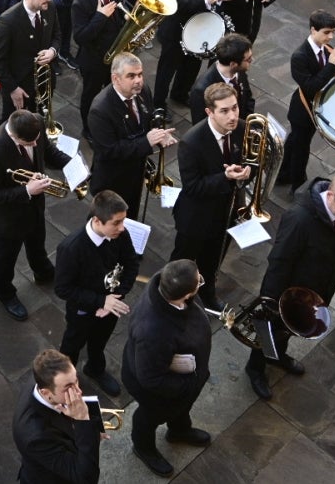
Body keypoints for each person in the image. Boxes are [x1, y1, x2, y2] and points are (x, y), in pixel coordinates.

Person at [246, 172, 335, 401]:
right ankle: (255, 368)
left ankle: (278, 356)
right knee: (270, 331)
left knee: (289, 329)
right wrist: (270, 301)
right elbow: (279, 261)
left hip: (313, 291)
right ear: (331, 195)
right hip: (287, 292)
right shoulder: (299, 219)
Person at [121, 258, 212, 478]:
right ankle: (143, 447)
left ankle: (179, 430)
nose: (200, 282)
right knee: (149, 416)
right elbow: (150, 378)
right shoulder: (153, 332)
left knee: (181, 407)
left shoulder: (166, 283)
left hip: (185, 377)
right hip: (157, 390)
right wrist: (187, 385)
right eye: (198, 281)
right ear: (187, 294)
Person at [0, 108, 73, 321]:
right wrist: (27, 191)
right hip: (9, 218)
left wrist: (72, 165)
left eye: (36, 139)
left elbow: (48, 151)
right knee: (6, 258)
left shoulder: (36, 122)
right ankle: (5, 294)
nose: (35, 144)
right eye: (29, 143)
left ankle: (43, 272)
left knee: (37, 243)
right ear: (14, 136)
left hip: (35, 207)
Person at [170, 83, 253, 313]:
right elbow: (193, 186)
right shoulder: (191, 142)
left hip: (226, 212)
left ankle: (207, 294)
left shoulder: (242, 128)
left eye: (235, 107)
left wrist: (248, 172)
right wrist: (225, 177)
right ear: (209, 112)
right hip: (196, 217)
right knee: (182, 262)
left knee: (213, 258)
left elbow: (252, 162)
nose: (232, 116)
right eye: (224, 111)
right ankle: (172, 297)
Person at [53, 189, 139, 398]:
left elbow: (131, 264)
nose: (122, 227)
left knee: (99, 341)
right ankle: (65, 381)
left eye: (123, 221)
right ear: (97, 221)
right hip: (82, 310)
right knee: (72, 344)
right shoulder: (71, 248)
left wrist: (116, 297)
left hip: (110, 306)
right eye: (116, 222)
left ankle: (95, 369)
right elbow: (63, 288)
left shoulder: (120, 234)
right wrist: (100, 301)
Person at [86, 52, 177, 219]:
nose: (138, 80)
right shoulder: (100, 110)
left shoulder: (142, 90)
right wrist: (147, 142)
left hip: (136, 172)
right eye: (131, 76)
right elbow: (110, 151)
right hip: (113, 180)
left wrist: (159, 133)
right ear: (116, 79)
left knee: (131, 213)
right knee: (108, 220)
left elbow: (148, 118)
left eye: (140, 74)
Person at [153, 0, 235, 111]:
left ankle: (180, 93)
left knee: (192, 65)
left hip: (197, 26)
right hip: (176, 28)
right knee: (167, 69)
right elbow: (178, 3)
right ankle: (158, 105)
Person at [276, 10, 335, 192]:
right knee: (301, 149)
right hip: (303, 111)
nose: (331, 37)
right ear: (313, 30)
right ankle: (298, 185)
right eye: (327, 32)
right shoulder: (299, 56)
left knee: (295, 140)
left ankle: (282, 172)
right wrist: (332, 64)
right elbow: (311, 87)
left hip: (319, 107)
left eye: (333, 32)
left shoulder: (326, 49)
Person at [12, 349, 103, 484]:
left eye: (76, 380)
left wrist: (90, 431)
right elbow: (86, 478)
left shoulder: (42, 378)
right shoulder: (36, 438)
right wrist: (83, 423)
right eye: (68, 387)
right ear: (46, 392)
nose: (78, 391)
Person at [0, 0, 60, 121]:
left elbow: (57, 35)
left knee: (41, 119)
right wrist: (13, 89)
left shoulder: (50, 7)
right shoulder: (7, 21)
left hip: (45, 82)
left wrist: (52, 51)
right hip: (19, 87)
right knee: (11, 124)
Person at [70, 0, 126, 129]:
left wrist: (126, 16)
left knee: (113, 91)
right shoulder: (80, 1)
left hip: (114, 54)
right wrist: (100, 17)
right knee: (91, 96)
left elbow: (118, 5)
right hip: (94, 60)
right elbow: (80, 37)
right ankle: (88, 128)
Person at [188, 33, 255, 125]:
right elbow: (201, 124)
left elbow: (247, 98)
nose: (252, 60)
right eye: (248, 59)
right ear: (233, 64)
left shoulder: (238, 70)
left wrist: (249, 124)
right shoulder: (201, 90)